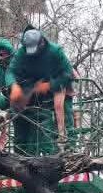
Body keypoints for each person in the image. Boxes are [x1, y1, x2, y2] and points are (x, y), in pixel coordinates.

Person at [6, 26, 74, 154]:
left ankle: (64, 151)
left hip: (54, 91)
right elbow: (11, 71)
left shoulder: (55, 51)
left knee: (53, 125)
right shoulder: (21, 53)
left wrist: (50, 85)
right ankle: (22, 156)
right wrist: (13, 86)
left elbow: (68, 74)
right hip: (31, 93)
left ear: (42, 42)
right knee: (23, 126)